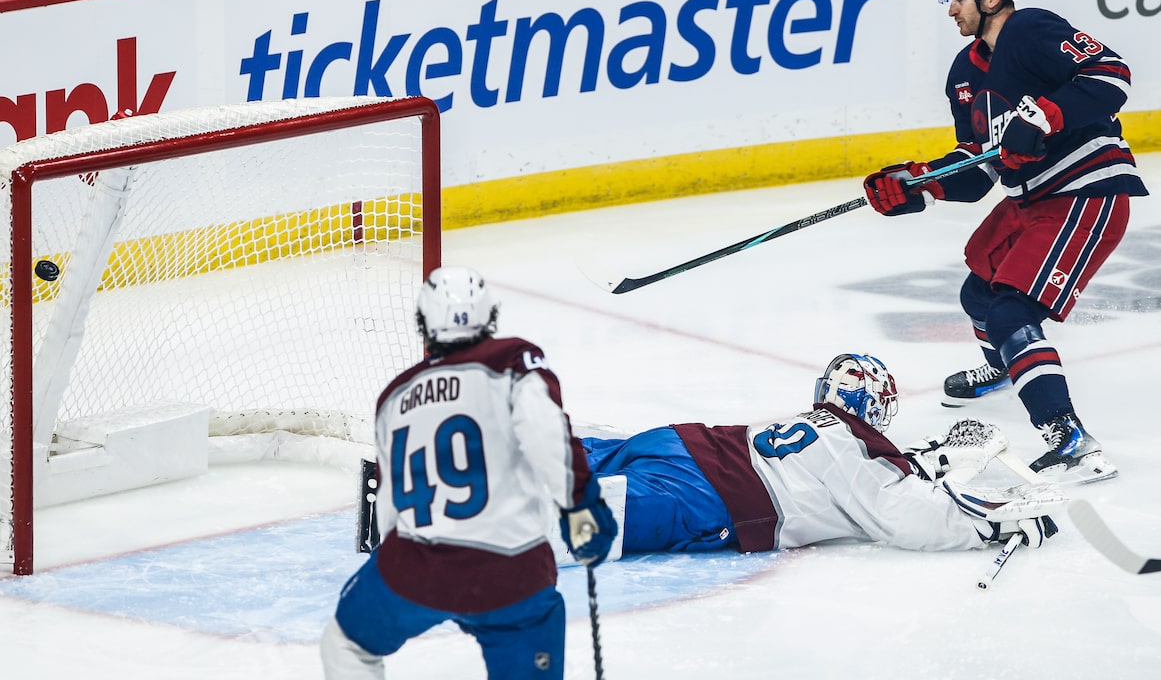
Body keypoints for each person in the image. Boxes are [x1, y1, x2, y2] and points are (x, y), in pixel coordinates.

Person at [862, 0, 1148, 486]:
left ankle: (1071, 440)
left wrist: (1043, 116)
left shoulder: (1032, 29)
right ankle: (1005, 366)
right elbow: (976, 172)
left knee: (1011, 315)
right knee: (977, 296)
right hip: (1030, 199)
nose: (951, 9)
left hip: (1085, 190)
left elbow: (1112, 75)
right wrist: (915, 184)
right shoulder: (962, 74)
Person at [321, 266, 618, 680]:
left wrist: (400, 566)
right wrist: (580, 506)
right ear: (490, 316)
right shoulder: (512, 360)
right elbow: (545, 433)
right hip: (510, 574)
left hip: (415, 570)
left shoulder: (394, 396)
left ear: (424, 324)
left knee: (346, 642)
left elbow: (389, 511)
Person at [579, 353, 1062, 557]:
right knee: (563, 517)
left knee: (565, 456)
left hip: (676, 442)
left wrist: (934, 459)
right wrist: (989, 525)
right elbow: (902, 514)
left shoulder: (814, 423)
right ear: (874, 407)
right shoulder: (857, 448)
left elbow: (864, 471)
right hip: (706, 495)